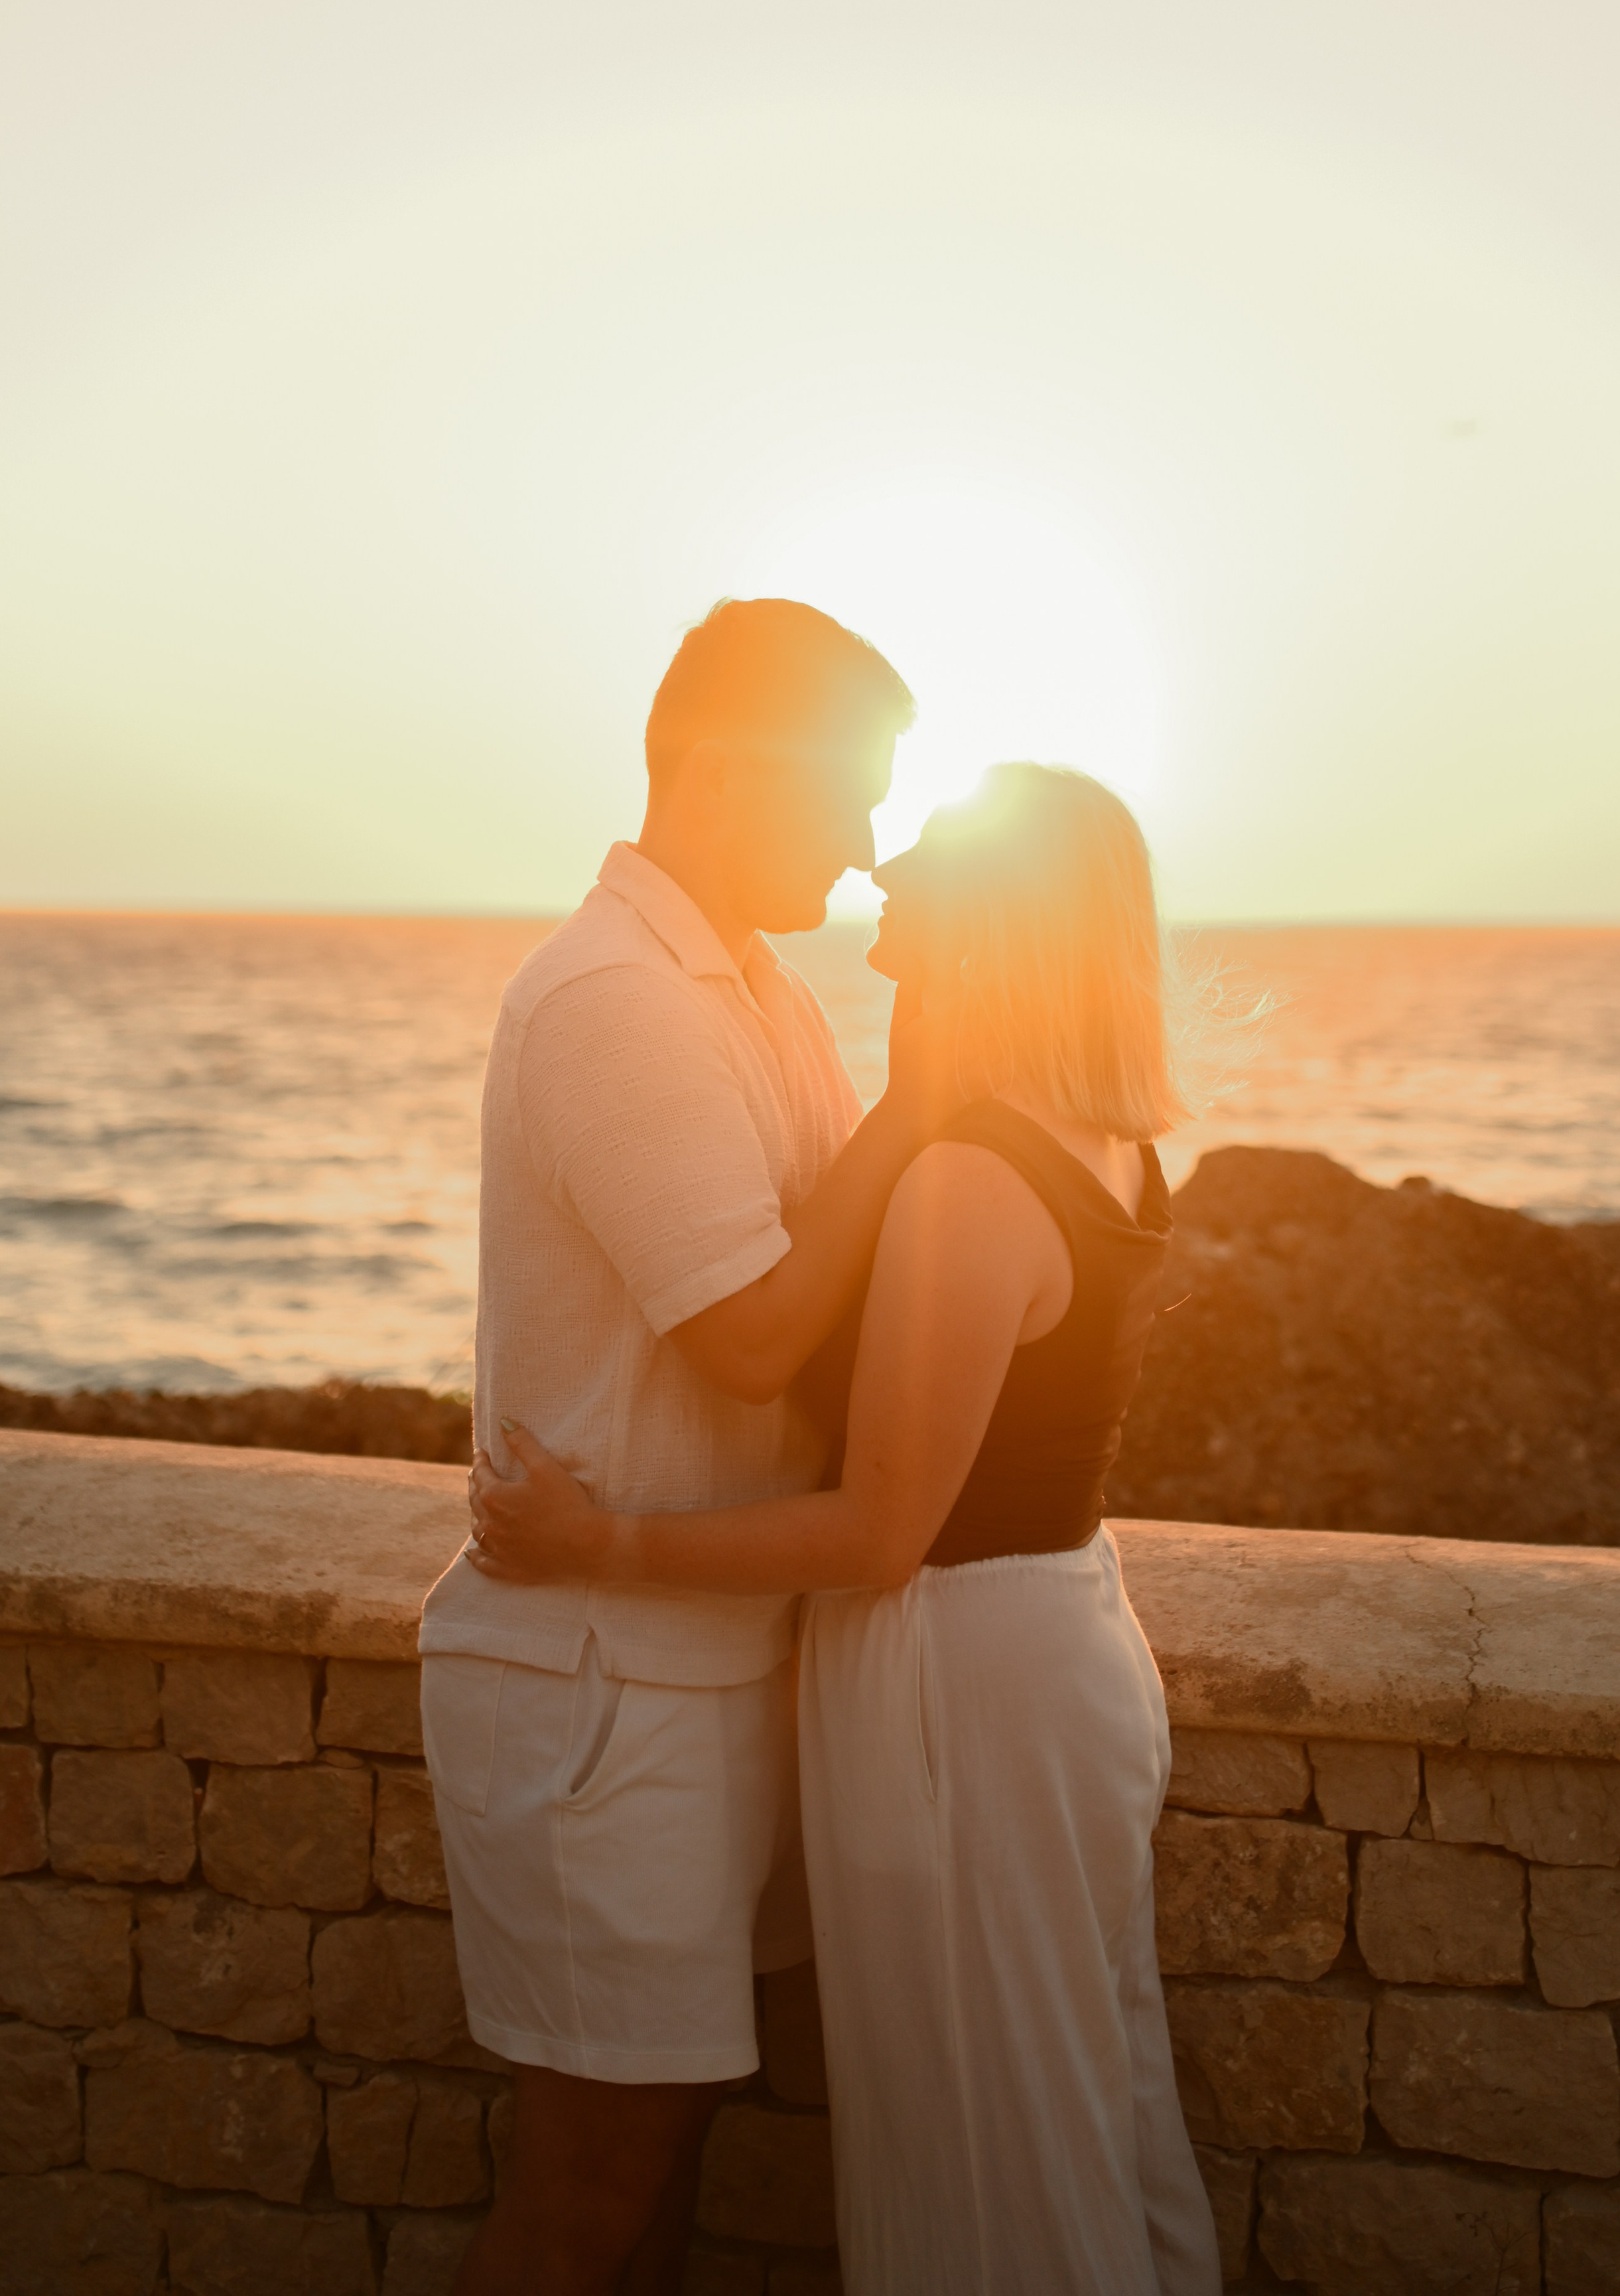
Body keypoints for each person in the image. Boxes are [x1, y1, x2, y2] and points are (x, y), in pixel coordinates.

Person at [468, 761, 1224, 2296]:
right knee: (1072, 2106)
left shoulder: (975, 1177)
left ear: (998, 913)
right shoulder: (1096, 1140)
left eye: (930, 845)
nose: (885, 863)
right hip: (1048, 1642)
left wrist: (602, 1545)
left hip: (960, 1675)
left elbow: (880, 1529)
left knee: (982, 2145)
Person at [419, 599, 947, 2296]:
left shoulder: (756, 992)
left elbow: (838, 1297)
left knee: (659, 2184)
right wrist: (924, 1103)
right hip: (602, 1684)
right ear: (722, 769)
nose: (861, 845)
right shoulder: (612, 1001)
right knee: (589, 2195)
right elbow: (754, 1336)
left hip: (705, 1666)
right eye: (844, 792)